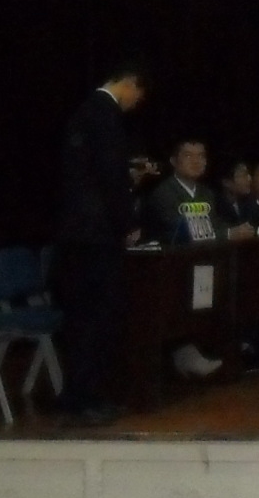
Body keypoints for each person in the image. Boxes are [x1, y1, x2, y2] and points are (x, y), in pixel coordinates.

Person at [54, 65, 146, 426]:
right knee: (97, 317)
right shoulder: (106, 114)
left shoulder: (83, 111)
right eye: (139, 95)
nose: (136, 103)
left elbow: (87, 173)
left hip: (75, 233)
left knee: (81, 318)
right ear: (130, 83)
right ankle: (86, 398)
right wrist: (128, 223)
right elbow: (109, 177)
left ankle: (76, 395)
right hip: (96, 234)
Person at [141, 138, 241, 379]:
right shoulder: (164, 193)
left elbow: (215, 224)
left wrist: (235, 231)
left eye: (201, 156)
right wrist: (228, 234)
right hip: (164, 269)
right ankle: (182, 352)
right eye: (188, 155)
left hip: (201, 264)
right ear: (174, 161)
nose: (196, 161)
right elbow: (178, 229)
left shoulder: (207, 193)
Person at [217, 159, 259, 232]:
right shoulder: (216, 206)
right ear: (226, 182)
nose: (249, 178)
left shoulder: (250, 201)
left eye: (248, 174)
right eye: (243, 175)